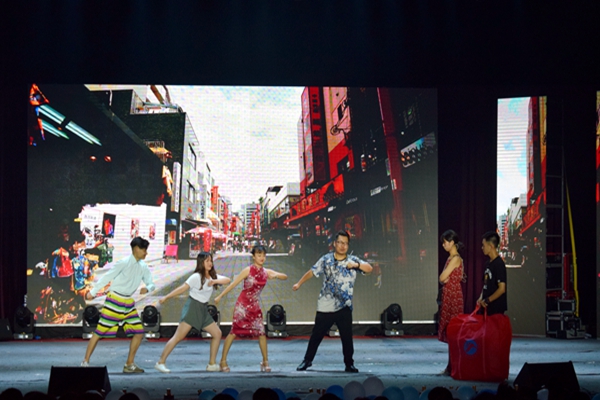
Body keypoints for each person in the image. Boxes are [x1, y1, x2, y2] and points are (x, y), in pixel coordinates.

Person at [293, 230, 373, 373]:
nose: (342, 246)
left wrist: (355, 265)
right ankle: (307, 360)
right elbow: (312, 272)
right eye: (340, 242)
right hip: (326, 305)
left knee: (347, 337)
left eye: (345, 243)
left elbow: (369, 269)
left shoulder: (353, 260)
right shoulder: (326, 259)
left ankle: (349, 364)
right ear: (334, 243)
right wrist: (299, 283)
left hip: (344, 306)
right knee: (316, 335)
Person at [81, 237, 155, 373]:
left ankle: (129, 364)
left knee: (139, 332)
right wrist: (93, 292)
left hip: (128, 303)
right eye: (144, 250)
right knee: (99, 332)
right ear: (136, 249)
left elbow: (151, 284)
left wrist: (147, 288)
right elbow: (107, 277)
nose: (146, 253)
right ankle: (85, 361)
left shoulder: (144, 267)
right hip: (114, 301)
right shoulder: (123, 263)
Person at [215, 245, 288, 372]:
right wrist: (220, 296)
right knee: (234, 332)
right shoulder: (247, 270)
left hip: (255, 306)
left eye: (263, 255)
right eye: (259, 255)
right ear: (253, 256)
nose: (262, 258)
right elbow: (233, 284)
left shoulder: (266, 272)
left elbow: (285, 276)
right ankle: (223, 361)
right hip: (242, 306)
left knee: (261, 333)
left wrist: (275, 275)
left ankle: (265, 362)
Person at [154, 252, 231, 373]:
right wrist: (166, 297)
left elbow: (228, 280)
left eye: (211, 260)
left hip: (203, 309)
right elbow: (182, 288)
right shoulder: (196, 277)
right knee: (178, 337)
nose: (210, 263)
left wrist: (215, 281)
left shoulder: (212, 276)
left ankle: (212, 364)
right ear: (201, 262)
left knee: (217, 333)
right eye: (207, 261)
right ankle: (160, 362)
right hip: (192, 307)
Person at [437, 230, 466, 376]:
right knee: (450, 332)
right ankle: (451, 366)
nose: (443, 245)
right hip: (450, 293)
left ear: (452, 242)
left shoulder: (455, 258)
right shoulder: (452, 258)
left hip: (453, 295)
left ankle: (455, 366)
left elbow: (442, 277)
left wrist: (445, 279)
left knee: (453, 331)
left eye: (445, 242)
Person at [477, 231, 507, 315]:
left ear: (491, 246)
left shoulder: (499, 264)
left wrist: (488, 300)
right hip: (486, 308)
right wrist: (481, 298)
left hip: (496, 309)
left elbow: (502, 289)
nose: (482, 248)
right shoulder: (487, 264)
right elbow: (485, 284)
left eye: (483, 245)